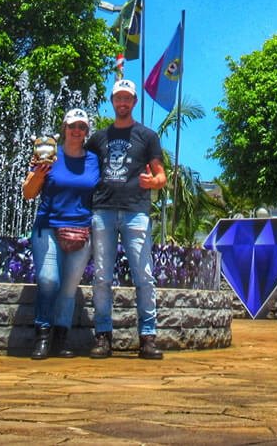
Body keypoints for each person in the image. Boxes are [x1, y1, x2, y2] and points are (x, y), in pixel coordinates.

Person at [86, 78, 168, 360]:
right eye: (118, 98)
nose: (122, 103)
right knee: (101, 277)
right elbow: (85, 172)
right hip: (103, 210)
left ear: (134, 102)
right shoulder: (98, 139)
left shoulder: (147, 136)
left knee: (144, 276)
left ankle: (147, 336)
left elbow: (161, 176)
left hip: (136, 212)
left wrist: (152, 182)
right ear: (113, 102)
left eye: (127, 99)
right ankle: (103, 335)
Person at [21, 107, 100, 360]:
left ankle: (61, 339)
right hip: (48, 227)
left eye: (82, 127)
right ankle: (42, 334)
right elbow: (28, 193)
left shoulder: (93, 160)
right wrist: (39, 175)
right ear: (64, 128)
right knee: (48, 280)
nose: (77, 131)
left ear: (87, 132)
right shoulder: (49, 156)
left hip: (81, 230)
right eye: (72, 126)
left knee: (68, 288)